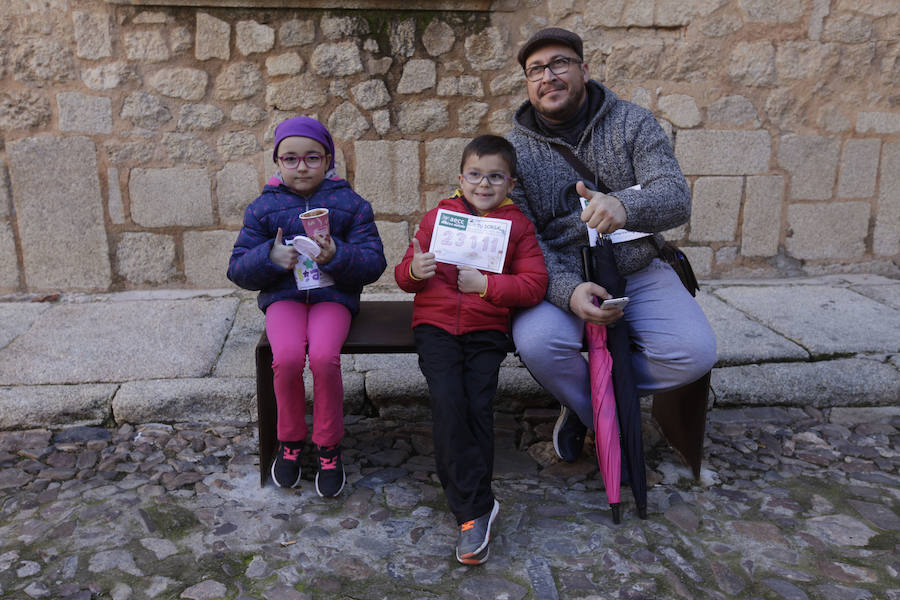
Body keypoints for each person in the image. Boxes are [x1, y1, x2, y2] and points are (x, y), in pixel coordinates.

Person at [506, 28, 717, 463]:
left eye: (559, 63)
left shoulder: (633, 122)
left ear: (583, 70)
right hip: (560, 273)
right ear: (528, 83)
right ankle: (595, 408)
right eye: (536, 70)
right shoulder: (513, 151)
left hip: (636, 268)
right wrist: (567, 291)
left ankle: (586, 396)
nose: (548, 76)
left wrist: (626, 205)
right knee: (539, 344)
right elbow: (524, 239)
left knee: (693, 353)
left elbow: (676, 197)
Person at [394, 135, 548, 565]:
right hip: (436, 328)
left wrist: (487, 285)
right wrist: (415, 270)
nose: (484, 184)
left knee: (477, 407)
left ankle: (476, 507)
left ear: (511, 183)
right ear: (461, 179)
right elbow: (403, 277)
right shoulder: (439, 217)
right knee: (448, 402)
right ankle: (473, 511)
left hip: (486, 331)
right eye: (476, 175)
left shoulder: (518, 227)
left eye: (495, 177)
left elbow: (534, 285)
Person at [228, 116, 386, 497]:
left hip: (333, 298)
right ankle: (290, 440)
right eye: (291, 159)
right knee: (285, 358)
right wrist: (270, 258)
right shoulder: (262, 209)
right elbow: (237, 268)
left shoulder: (351, 205)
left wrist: (337, 255)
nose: (302, 167)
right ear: (277, 162)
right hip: (284, 298)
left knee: (324, 358)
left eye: (312, 158)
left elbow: (374, 262)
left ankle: (329, 446)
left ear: (328, 160)